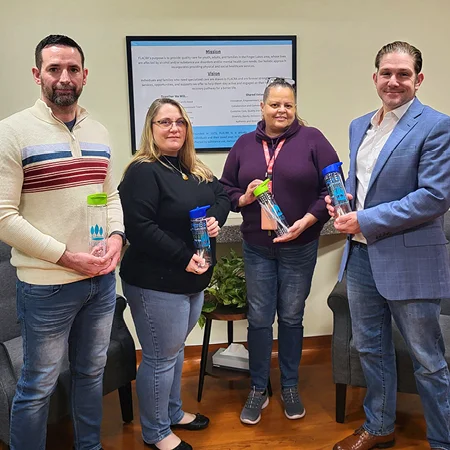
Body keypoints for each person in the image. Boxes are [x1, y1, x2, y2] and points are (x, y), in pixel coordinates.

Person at [0, 35, 125, 450]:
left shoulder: (99, 130)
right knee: (39, 386)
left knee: (92, 373)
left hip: (101, 283)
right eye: (54, 69)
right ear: (38, 75)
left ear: (84, 75)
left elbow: (109, 196)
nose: (64, 77)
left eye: (73, 69)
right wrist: (66, 257)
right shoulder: (13, 132)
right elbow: (3, 217)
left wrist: (117, 238)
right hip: (46, 287)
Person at [328, 41, 450, 450]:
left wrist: (364, 218)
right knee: (369, 348)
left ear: (418, 78)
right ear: (375, 77)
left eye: (403, 74)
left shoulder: (436, 125)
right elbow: (361, 183)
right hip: (360, 256)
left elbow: (433, 197)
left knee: (428, 361)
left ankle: (442, 439)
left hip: (411, 260)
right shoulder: (359, 124)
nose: (393, 81)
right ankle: (379, 427)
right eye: (386, 73)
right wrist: (342, 201)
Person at [220, 77, 340, 425]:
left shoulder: (313, 139)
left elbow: (332, 187)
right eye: (275, 104)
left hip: (300, 246)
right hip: (257, 247)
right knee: (259, 319)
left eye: (288, 104)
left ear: (295, 107)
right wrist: (243, 197)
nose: (282, 110)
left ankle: (289, 385)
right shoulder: (243, 144)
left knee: (290, 317)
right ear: (262, 107)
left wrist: (309, 219)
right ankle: (258, 387)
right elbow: (225, 188)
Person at [119, 97, 230, 450]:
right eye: (165, 122)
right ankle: (155, 432)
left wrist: (217, 217)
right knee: (159, 356)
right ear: (150, 129)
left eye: (180, 122)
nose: (174, 128)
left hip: (192, 280)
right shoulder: (143, 171)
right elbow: (139, 227)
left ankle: (172, 412)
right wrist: (184, 257)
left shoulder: (193, 168)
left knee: (174, 352)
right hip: (157, 282)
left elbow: (223, 196)